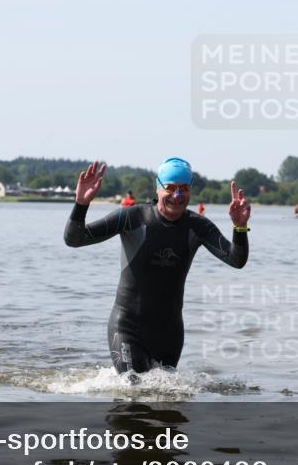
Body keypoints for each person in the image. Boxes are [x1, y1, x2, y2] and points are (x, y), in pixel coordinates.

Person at [64, 157, 250, 374]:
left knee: (165, 392)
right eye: (170, 188)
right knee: (134, 388)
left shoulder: (198, 226)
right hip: (127, 328)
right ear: (158, 187)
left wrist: (240, 227)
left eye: (183, 189)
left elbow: (236, 260)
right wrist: (81, 204)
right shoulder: (131, 217)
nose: (177, 196)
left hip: (170, 334)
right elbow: (74, 239)